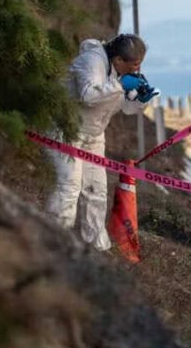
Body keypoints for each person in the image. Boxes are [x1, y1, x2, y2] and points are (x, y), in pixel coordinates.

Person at [46, 33, 153, 251]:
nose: (136, 70)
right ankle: (54, 244)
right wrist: (121, 85)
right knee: (69, 187)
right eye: (133, 65)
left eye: (139, 66)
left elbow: (124, 107)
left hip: (93, 135)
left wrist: (140, 100)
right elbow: (89, 95)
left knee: (96, 190)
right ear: (118, 60)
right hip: (66, 130)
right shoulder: (91, 62)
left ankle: (95, 246)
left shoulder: (120, 72)